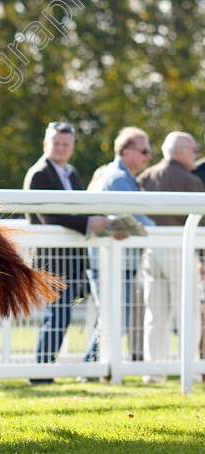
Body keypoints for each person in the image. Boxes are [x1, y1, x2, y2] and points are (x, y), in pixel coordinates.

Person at [23, 121, 111, 384]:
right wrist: (87, 223)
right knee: (58, 316)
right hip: (51, 259)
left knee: (62, 316)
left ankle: (44, 373)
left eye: (65, 144)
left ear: (72, 147)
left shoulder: (71, 173)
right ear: (45, 144)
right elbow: (48, 215)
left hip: (72, 257)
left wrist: (96, 218)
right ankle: (40, 375)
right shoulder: (39, 173)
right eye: (56, 143)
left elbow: (79, 207)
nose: (60, 148)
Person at [138, 131, 205, 383]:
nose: (197, 155)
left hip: (151, 249)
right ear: (181, 152)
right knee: (187, 311)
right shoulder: (191, 181)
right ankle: (192, 370)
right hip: (180, 249)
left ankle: (154, 373)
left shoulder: (145, 177)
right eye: (194, 149)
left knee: (155, 314)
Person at [87, 127, 155, 366]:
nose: (149, 157)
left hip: (115, 261)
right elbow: (135, 218)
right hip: (112, 263)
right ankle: (91, 366)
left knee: (114, 318)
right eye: (144, 151)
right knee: (115, 318)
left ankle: (93, 367)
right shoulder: (118, 178)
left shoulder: (120, 176)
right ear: (126, 152)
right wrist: (162, 231)